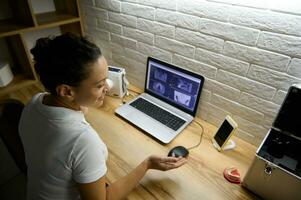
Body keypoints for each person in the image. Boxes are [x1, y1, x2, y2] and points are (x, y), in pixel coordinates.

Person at [19, 33, 187, 200]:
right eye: (100, 85)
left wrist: (85, 103)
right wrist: (147, 164)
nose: (107, 87)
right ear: (66, 91)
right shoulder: (83, 141)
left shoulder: (35, 102)